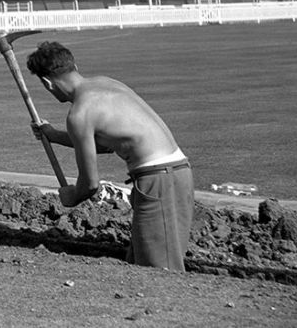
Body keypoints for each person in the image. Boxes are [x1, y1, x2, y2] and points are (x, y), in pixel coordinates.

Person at [25, 39, 193, 271]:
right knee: (145, 259)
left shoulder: (80, 113)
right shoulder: (106, 83)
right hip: (178, 171)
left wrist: (71, 197)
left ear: (47, 83)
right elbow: (106, 145)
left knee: (160, 271)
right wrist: (53, 135)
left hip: (158, 180)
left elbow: (90, 184)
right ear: (75, 65)